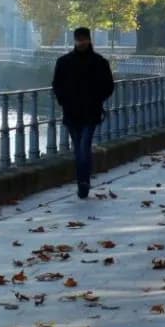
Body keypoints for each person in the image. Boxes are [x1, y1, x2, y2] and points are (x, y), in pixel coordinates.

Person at [51, 26, 116, 198]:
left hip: (85, 111)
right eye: (79, 40)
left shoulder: (93, 62)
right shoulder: (92, 62)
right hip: (77, 111)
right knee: (81, 147)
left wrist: (95, 99)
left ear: (88, 40)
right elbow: (57, 85)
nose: (81, 43)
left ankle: (83, 182)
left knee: (82, 147)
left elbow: (108, 86)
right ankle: (83, 180)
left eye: (83, 39)